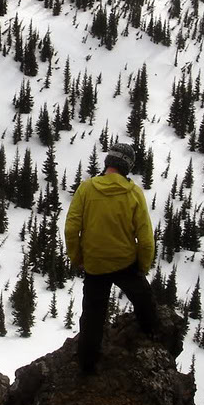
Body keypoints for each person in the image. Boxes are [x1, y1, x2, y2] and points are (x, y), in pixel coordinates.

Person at [64, 142, 159, 373]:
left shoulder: (86, 189)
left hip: (94, 264)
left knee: (93, 315)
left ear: (107, 163)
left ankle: (87, 365)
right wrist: (142, 266)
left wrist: (77, 258)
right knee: (143, 299)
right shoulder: (133, 192)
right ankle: (152, 334)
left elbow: (71, 228)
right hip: (125, 262)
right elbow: (145, 238)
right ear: (127, 168)